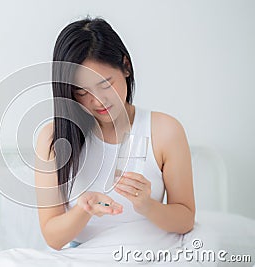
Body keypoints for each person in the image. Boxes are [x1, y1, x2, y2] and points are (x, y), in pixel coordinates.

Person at [34, 16, 196, 255]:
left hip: (149, 252)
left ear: (126, 67)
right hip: (85, 256)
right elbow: (53, 237)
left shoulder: (165, 131)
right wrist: (83, 210)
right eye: (81, 92)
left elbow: (185, 220)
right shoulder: (53, 139)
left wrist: (147, 205)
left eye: (105, 84)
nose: (97, 100)